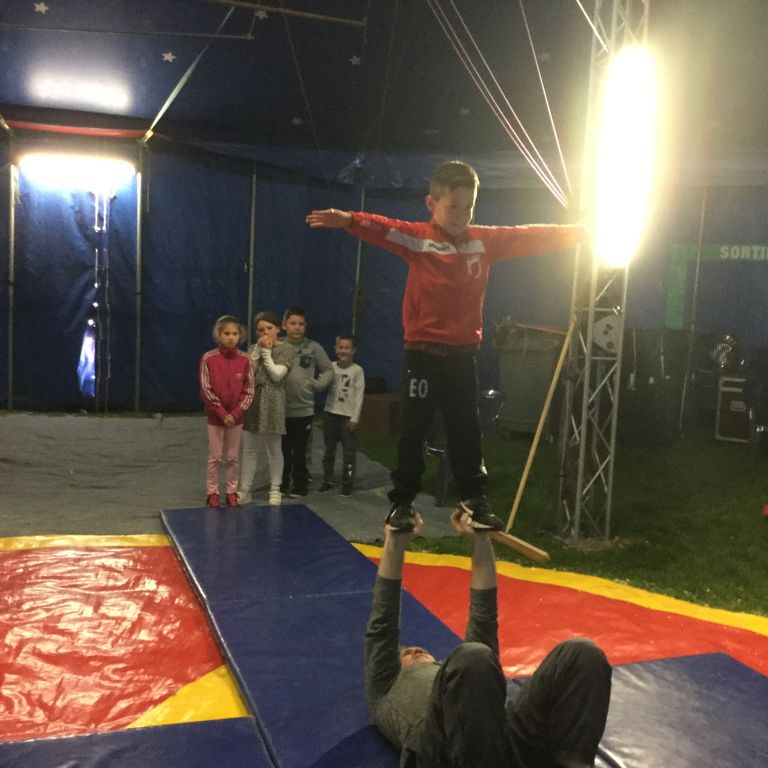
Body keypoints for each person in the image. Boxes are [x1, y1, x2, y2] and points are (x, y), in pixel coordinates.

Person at [306, 160, 586, 533]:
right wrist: (349, 220)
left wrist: (577, 233)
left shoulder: (483, 241)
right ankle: (402, 502)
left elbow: (528, 236)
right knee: (413, 429)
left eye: (468, 207)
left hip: (462, 356)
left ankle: (474, 498)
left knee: (465, 427)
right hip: (422, 353)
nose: (461, 215)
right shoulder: (419, 239)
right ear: (431, 203)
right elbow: (385, 229)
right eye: (453, 207)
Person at [365, 512, 612, 768]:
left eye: (419, 650)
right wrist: (394, 544)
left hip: (504, 743)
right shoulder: (384, 686)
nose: (414, 650)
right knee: (473, 655)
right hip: (448, 753)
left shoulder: (470, 677)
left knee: (582, 653)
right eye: (406, 653)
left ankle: (573, 763)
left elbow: (484, 616)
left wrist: (480, 541)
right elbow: (383, 622)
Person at [238, 311, 295, 506]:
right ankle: (245, 490)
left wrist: (267, 353)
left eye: (269, 328)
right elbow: (247, 374)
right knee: (249, 449)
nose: (265, 333)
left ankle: (275, 489)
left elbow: (277, 375)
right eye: (260, 330)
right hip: (253, 401)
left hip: (273, 401)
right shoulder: (253, 348)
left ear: (278, 328)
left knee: (274, 449)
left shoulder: (286, 349)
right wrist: (257, 351)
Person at [199, 315, 254, 508]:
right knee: (215, 457)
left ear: (240, 335)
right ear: (219, 335)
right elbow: (206, 389)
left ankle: (232, 492)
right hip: (216, 418)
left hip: (236, 419)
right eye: (227, 333)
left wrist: (236, 413)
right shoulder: (208, 358)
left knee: (233, 457)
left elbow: (249, 389)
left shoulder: (246, 359)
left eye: (235, 333)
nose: (231, 337)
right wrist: (222, 413)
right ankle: (212, 492)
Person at [281, 307, 333, 497]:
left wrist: (319, 385)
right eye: (293, 323)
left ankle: (300, 485)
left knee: (301, 450)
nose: (297, 327)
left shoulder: (313, 347)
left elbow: (328, 369)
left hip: (304, 409)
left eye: (301, 324)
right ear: (284, 325)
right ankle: (281, 484)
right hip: (281, 409)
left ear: (306, 326)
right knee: (282, 449)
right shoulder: (277, 346)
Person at [319, 334, 365, 496]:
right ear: (335, 348)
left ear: (354, 350)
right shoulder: (330, 367)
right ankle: (327, 479)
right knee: (329, 451)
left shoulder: (357, 370)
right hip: (331, 414)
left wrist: (355, 417)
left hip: (347, 418)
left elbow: (359, 395)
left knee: (349, 454)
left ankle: (348, 483)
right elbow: (321, 383)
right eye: (340, 347)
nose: (343, 351)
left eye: (347, 348)